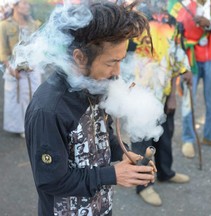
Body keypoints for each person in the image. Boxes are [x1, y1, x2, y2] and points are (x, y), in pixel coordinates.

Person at [24, 1, 157, 215]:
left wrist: (123, 153)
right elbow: (50, 180)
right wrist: (112, 175)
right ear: (79, 57)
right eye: (111, 62)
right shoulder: (48, 110)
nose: (117, 72)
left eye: (121, 61)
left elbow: (103, 134)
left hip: (101, 208)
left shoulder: (94, 86)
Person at [124, 1, 193, 206]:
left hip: (163, 92)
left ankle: (165, 173)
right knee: (142, 143)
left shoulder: (173, 22)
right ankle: (144, 185)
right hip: (140, 95)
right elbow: (122, 53)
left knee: (165, 136)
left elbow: (176, 55)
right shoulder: (134, 20)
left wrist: (172, 93)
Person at [176, 0, 211, 159]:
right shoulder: (182, 4)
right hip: (190, 58)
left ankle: (210, 136)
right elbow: (175, 34)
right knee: (188, 101)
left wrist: (209, 25)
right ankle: (188, 139)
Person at [0, 0, 41, 138]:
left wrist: (35, 62)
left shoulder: (34, 24)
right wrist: (10, 68)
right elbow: (3, 50)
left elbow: (38, 47)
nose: (27, 6)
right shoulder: (4, 25)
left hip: (32, 69)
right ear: (14, 6)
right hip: (14, 69)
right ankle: (21, 127)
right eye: (24, 3)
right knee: (18, 100)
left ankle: (34, 125)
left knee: (34, 97)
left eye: (28, 3)